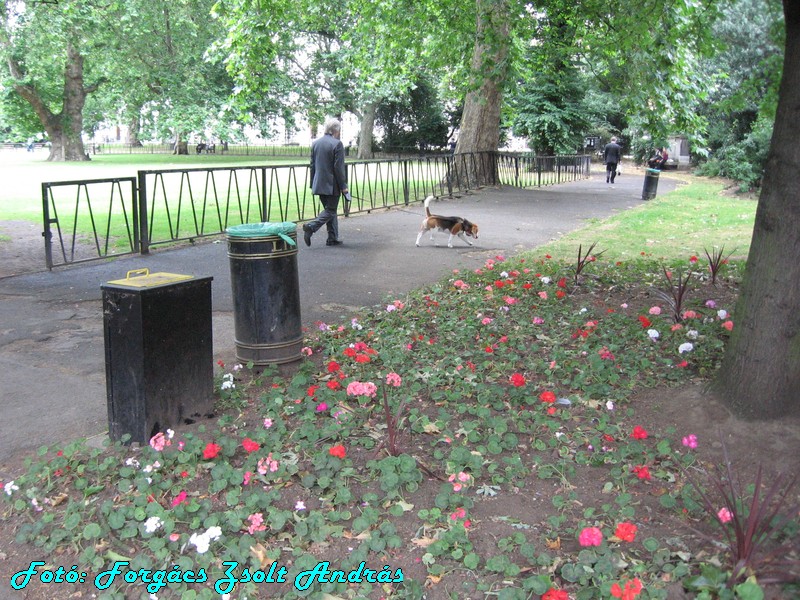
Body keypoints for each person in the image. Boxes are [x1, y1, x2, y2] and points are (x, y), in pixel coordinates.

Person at [303, 119, 349, 247]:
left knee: (329, 210)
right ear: (336, 130)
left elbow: (312, 165)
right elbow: (338, 168)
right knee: (330, 210)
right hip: (332, 185)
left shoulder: (316, 143)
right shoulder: (337, 144)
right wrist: (344, 187)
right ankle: (311, 227)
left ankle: (332, 238)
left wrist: (313, 182)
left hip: (319, 183)